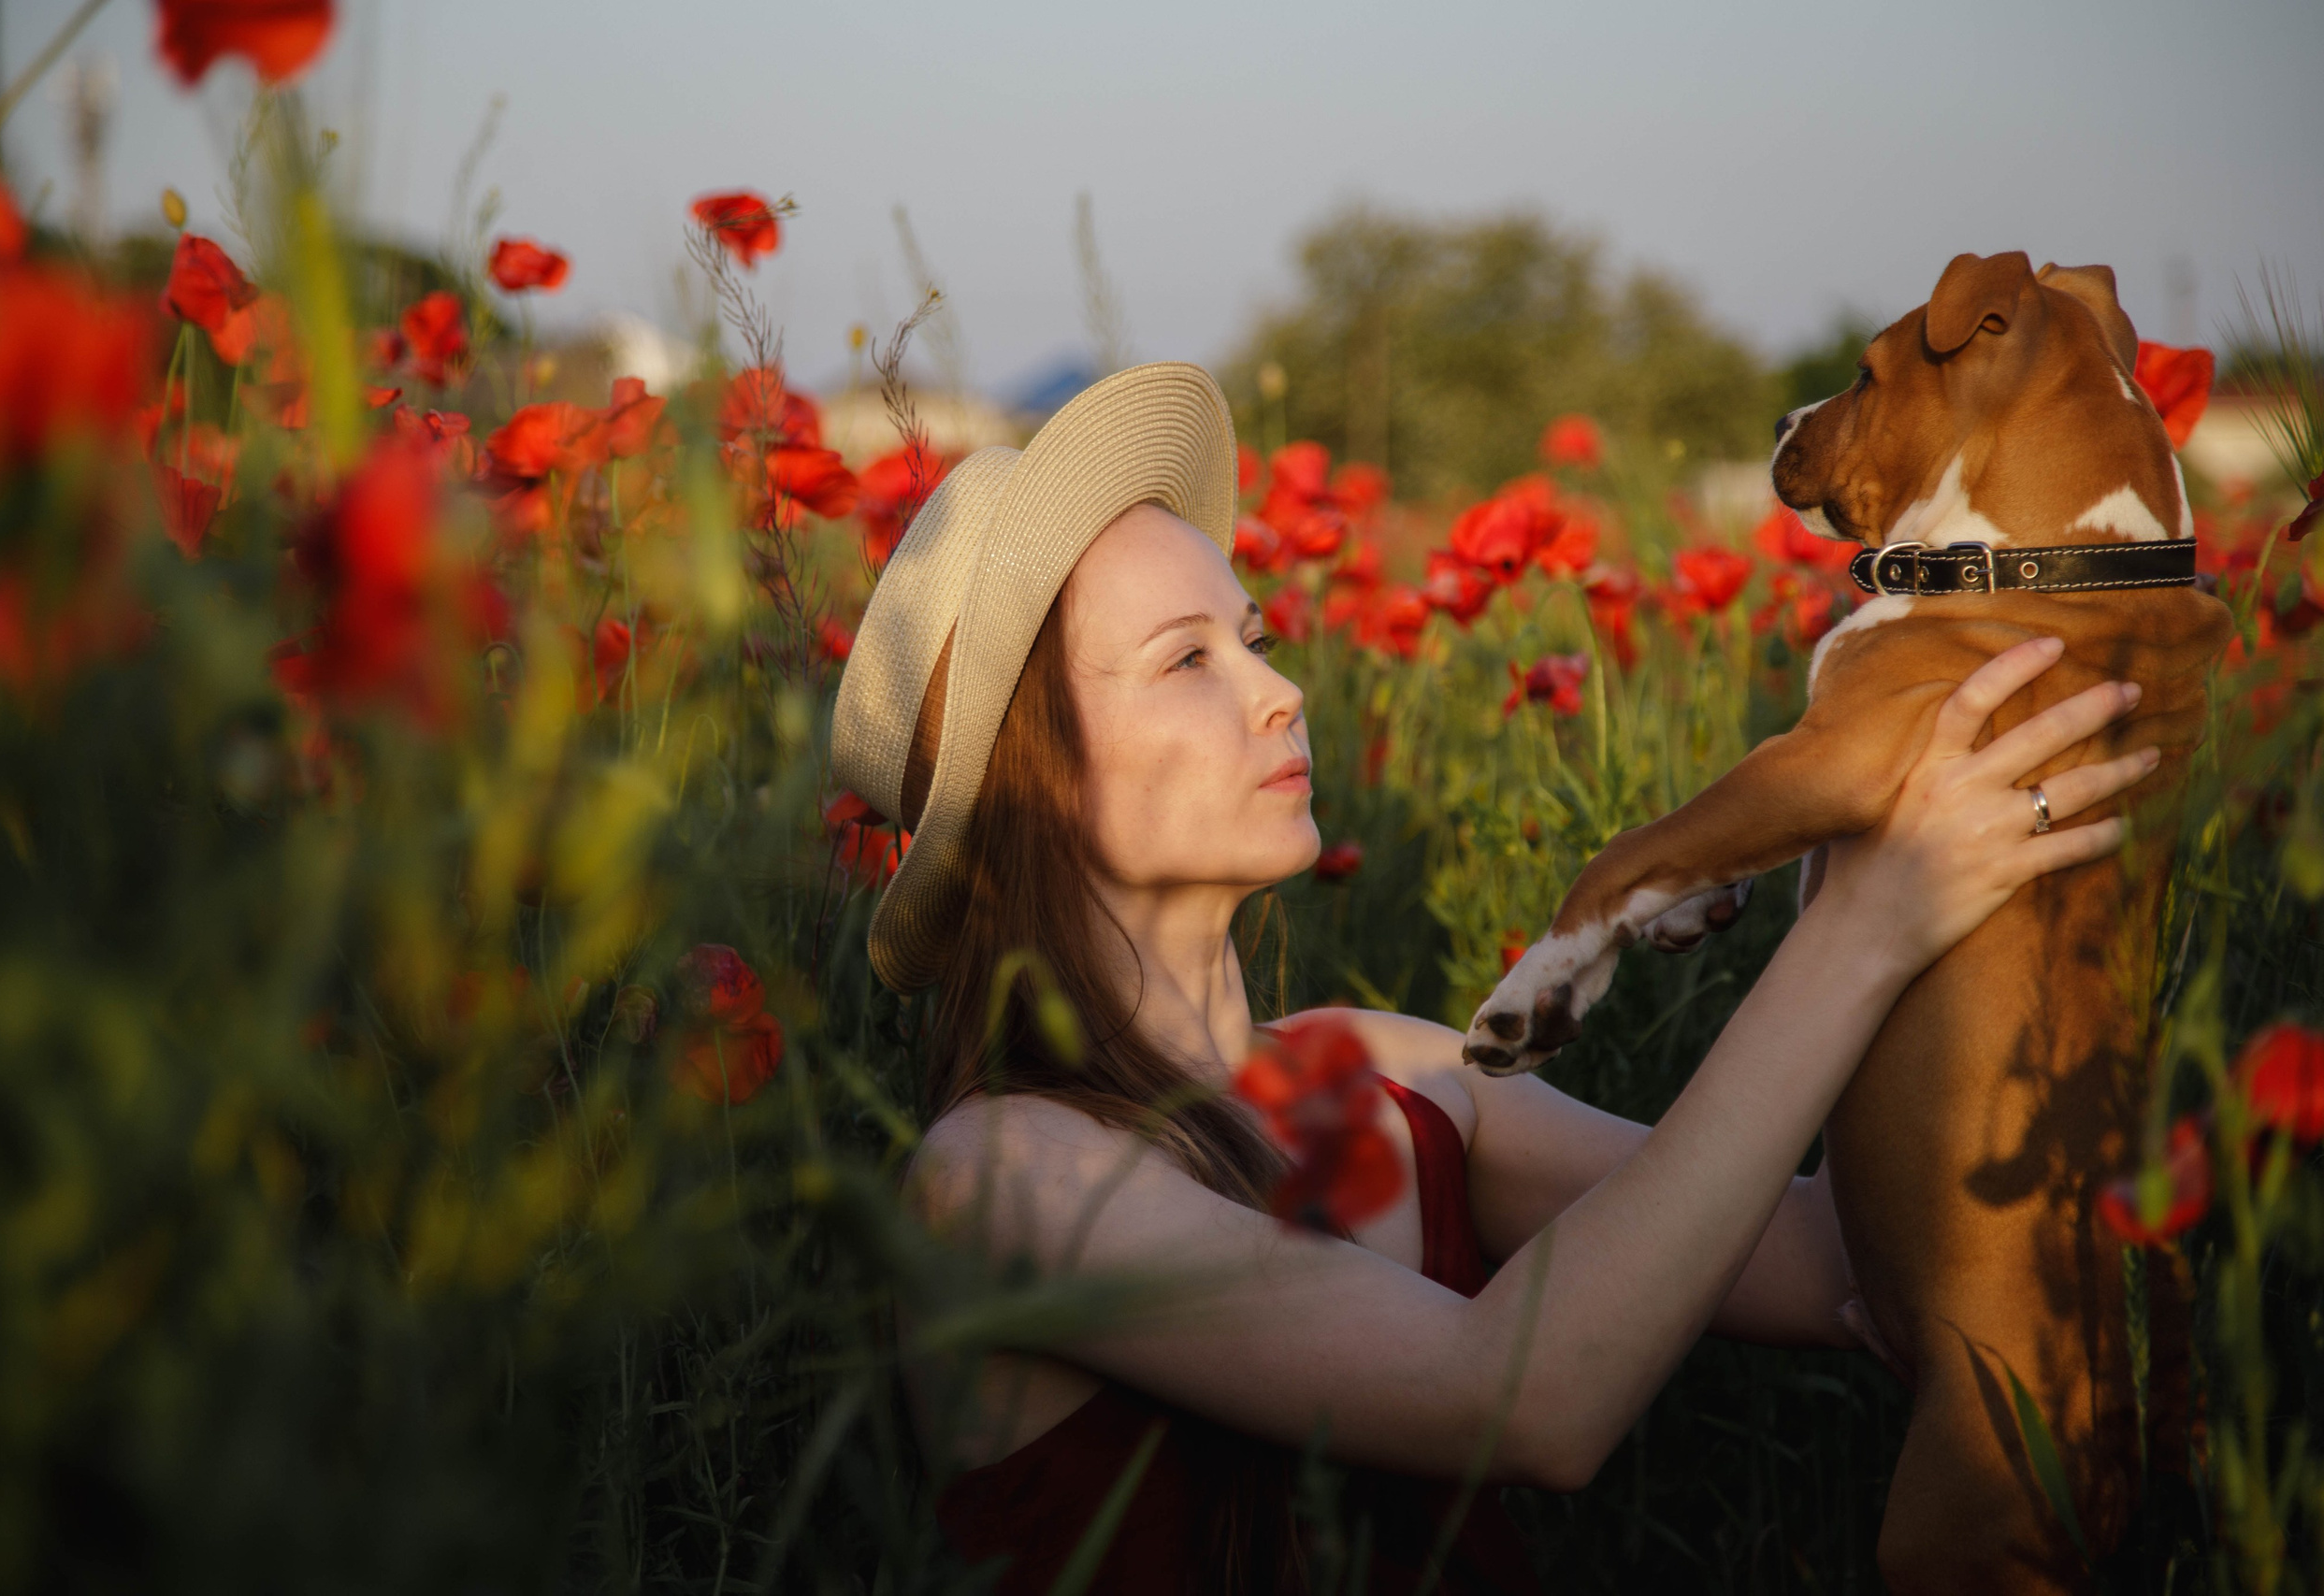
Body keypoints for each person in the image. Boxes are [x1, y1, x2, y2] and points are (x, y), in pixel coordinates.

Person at [827, 364, 2155, 1594]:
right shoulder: (999, 1174)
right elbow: (1520, 1404)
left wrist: (1889, 822)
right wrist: (1861, 932)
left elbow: (1837, 1262)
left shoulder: (1383, 1067)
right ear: (1038, 783)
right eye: (1187, 659)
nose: (1283, 691)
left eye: (1254, 637)